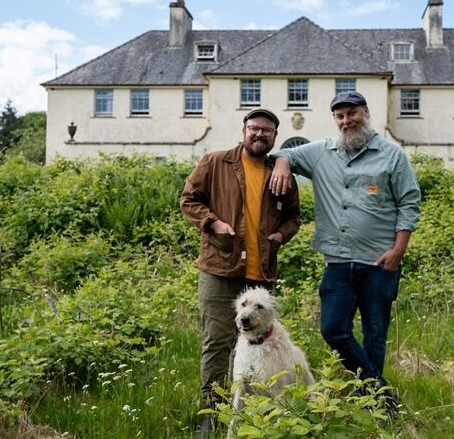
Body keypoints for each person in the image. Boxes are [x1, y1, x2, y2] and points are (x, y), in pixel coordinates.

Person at [268, 90, 420, 410]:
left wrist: (398, 251)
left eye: (352, 113)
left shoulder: (392, 156)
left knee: (375, 334)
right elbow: (286, 153)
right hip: (337, 263)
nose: (346, 121)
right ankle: (380, 392)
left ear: (365, 112)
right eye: (340, 116)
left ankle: (372, 404)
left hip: (381, 263)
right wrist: (283, 164)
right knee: (333, 329)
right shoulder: (322, 152)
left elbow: (409, 203)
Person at [180, 108, 301, 436]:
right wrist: (213, 222)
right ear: (244, 131)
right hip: (220, 267)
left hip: (260, 273)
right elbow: (189, 200)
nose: (259, 134)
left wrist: (280, 236)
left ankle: (254, 409)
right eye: (254, 128)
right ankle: (212, 412)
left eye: (267, 131)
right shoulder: (215, 162)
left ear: (275, 137)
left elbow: (294, 217)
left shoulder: (280, 172)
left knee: (258, 343)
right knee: (218, 341)